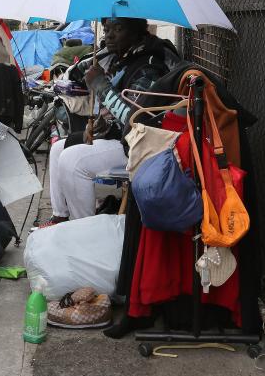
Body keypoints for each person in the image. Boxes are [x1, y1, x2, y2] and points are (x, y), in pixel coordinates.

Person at [43, 17, 182, 225]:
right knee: (57, 150)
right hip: (119, 138)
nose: (109, 35)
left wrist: (100, 85)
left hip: (140, 147)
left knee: (72, 160)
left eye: (118, 29)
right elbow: (117, 115)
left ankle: (82, 229)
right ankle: (60, 218)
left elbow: (135, 119)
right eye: (107, 29)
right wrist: (104, 125)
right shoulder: (122, 58)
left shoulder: (150, 65)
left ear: (136, 32)